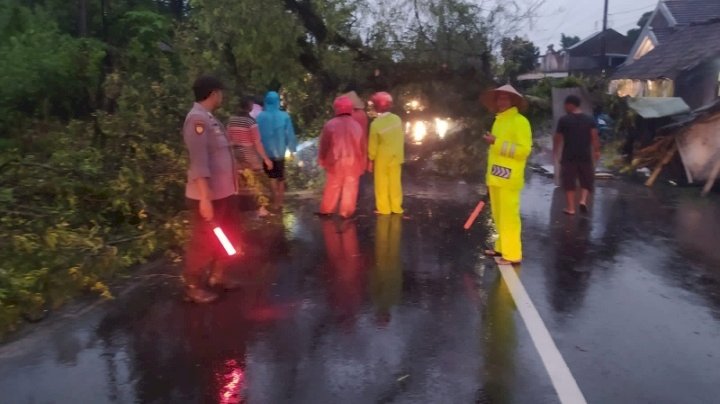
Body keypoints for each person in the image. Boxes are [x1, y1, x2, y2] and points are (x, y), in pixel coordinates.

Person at [182, 75, 237, 303]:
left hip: (224, 193)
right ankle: (193, 286)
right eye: (220, 92)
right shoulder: (196, 120)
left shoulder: (209, 118)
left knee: (228, 237)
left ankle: (218, 276)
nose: (222, 96)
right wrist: (205, 197)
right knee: (203, 242)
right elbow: (198, 162)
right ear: (214, 93)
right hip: (208, 196)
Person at [480, 84, 532, 265]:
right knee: (498, 215)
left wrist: (497, 142)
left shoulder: (520, 121)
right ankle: (502, 248)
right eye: (499, 98)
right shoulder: (499, 120)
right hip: (496, 177)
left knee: (509, 217)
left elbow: (524, 151)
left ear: (513, 101)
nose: (502, 101)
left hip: (509, 178)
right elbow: (495, 152)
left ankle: (512, 254)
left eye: (505, 98)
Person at [317, 96, 366, 219]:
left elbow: (324, 145)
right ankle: (346, 213)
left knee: (332, 186)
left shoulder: (330, 125)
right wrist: (363, 163)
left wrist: (322, 159)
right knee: (350, 188)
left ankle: (326, 210)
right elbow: (362, 147)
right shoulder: (356, 126)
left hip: (335, 161)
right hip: (353, 162)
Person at [227, 96, 274, 217]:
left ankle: (243, 211)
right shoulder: (251, 122)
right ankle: (261, 209)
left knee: (242, 184)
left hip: (236, 157)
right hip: (250, 157)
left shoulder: (231, 120)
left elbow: (228, 138)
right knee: (259, 183)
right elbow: (257, 142)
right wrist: (266, 159)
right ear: (249, 106)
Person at [554, 95, 600, 215]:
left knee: (569, 181)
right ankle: (583, 201)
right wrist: (596, 151)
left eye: (565, 105)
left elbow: (558, 138)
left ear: (570, 105)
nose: (564, 107)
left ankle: (571, 208)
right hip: (585, 155)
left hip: (569, 155)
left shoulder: (564, 120)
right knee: (586, 179)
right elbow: (594, 137)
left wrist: (555, 151)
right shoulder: (590, 119)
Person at [257, 91, 297, 210]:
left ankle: (275, 202)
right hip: (280, 152)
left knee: (271, 178)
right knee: (281, 178)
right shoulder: (284, 116)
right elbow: (290, 134)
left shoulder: (260, 116)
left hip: (266, 153)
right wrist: (292, 149)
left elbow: (256, 135)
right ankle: (280, 202)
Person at [368, 91, 404, 215]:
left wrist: (371, 159)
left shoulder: (375, 124)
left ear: (376, 106)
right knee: (395, 183)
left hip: (382, 157)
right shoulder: (397, 119)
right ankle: (396, 207)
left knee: (381, 183)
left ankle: (384, 209)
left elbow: (373, 145)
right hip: (397, 156)